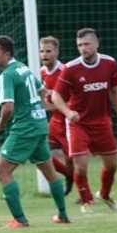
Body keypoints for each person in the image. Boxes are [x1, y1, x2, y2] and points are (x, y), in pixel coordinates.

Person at [0, 35, 70, 228]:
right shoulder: (23, 68)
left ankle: (20, 219)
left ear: (7, 54)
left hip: (24, 128)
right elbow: (44, 92)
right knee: (49, 171)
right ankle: (62, 215)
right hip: (40, 125)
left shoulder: (7, 74)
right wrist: (39, 111)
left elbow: (8, 108)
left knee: (2, 172)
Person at [52, 28, 117, 213]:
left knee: (112, 165)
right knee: (81, 165)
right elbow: (55, 96)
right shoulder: (71, 68)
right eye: (79, 45)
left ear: (96, 44)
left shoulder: (109, 63)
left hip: (102, 123)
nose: (82, 48)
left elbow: (115, 92)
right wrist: (68, 112)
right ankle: (86, 201)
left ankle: (105, 194)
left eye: (86, 44)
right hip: (78, 124)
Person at [38, 36, 75, 195]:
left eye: (48, 51)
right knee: (38, 149)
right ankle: (68, 176)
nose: (44, 54)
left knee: (73, 161)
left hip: (69, 123)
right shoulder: (40, 73)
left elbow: (75, 102)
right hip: (54, 123)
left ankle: (83, 195)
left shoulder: (65, 72)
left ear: (57, 52)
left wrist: (52, 106)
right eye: (41, 51)